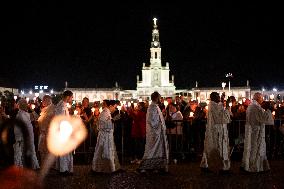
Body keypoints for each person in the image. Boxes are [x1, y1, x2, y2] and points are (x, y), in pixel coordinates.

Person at [241, 92, 274, 173]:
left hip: (252, 131)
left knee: (252, 149)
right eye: (261, 98)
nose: (262, 100)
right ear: (258, 98)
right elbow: (265, 119)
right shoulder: (256, 107)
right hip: (256, 132)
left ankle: (249, 165)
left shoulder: (251, 106)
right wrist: (268, 110)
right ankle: (254, 167)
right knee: (255, 150)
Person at [138, 91, 169, 173]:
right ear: (156, 98)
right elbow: (152, 121)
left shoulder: (156, 107)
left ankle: (156, 166)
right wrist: (159, 125)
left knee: (157, 150)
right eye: (159, 97)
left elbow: (158, 119)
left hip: (158, 133)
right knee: (151, 150)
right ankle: (146, 166)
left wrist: (163, 115)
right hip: (154, 133)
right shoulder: (152, 107)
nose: (161, 99)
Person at [200, 92, 231, 174]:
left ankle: (208, 164)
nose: (219, 98)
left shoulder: (214, 105)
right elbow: (221, 118)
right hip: (216, 131)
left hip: (217, 130)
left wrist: (222, 101)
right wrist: (227, 107)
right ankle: (219, 166)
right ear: (213, 98)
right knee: (216, 148)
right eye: (217, 97)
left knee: (212, 147)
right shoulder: (213, 106)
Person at [91, 100, 121, 174]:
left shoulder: (107, 112)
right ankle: (106, 168)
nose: (115, 109)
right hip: (105, 136)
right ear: (110, 106)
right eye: (114, 107)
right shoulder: (105, 113)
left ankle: (110, 167)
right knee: (105, 152)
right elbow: (104, 125)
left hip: (107, 136)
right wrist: (114, 120)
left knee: (108, 152)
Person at [14, 99, 40, 170]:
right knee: (27, 149)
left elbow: (36, 117)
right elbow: (19, 127)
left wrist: (32, 110)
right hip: (26, 135)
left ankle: (31, 165)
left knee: (28, 149)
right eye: (26, 104)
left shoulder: (24, 113)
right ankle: (30, 165)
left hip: (27, 135)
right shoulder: (21, 114)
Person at [54, 90, 74, 176]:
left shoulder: (63, 105)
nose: (72, 99)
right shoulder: (61, 105)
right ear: (68, 97)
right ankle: (63, 169)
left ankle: (63, 168)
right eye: (71, 97)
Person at [37, 95, 55, 166]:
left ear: (48, 100)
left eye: (44, 100)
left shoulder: (52, 109)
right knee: (43, 150)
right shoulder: (45, 109)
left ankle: (48, 165)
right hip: (43, 133)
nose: (42, 102)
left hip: (48, 133)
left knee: (48, 150)